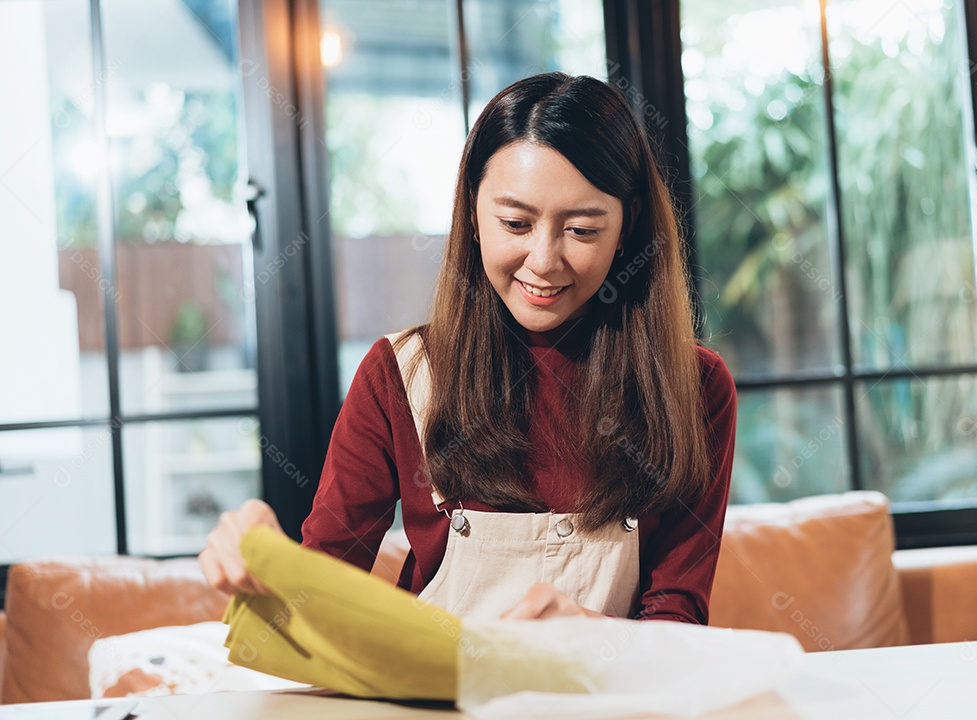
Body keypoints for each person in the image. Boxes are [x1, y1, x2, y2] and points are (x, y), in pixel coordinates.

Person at [200, 72, 736, 624]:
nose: (544, 260)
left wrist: (592, 635)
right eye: (515, 222)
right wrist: (269, 562)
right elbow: (320, 600)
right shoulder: (399, 376)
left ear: (626, 229)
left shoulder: (693, 386)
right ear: (474, 217)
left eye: (581, 230)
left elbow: (678, 617)